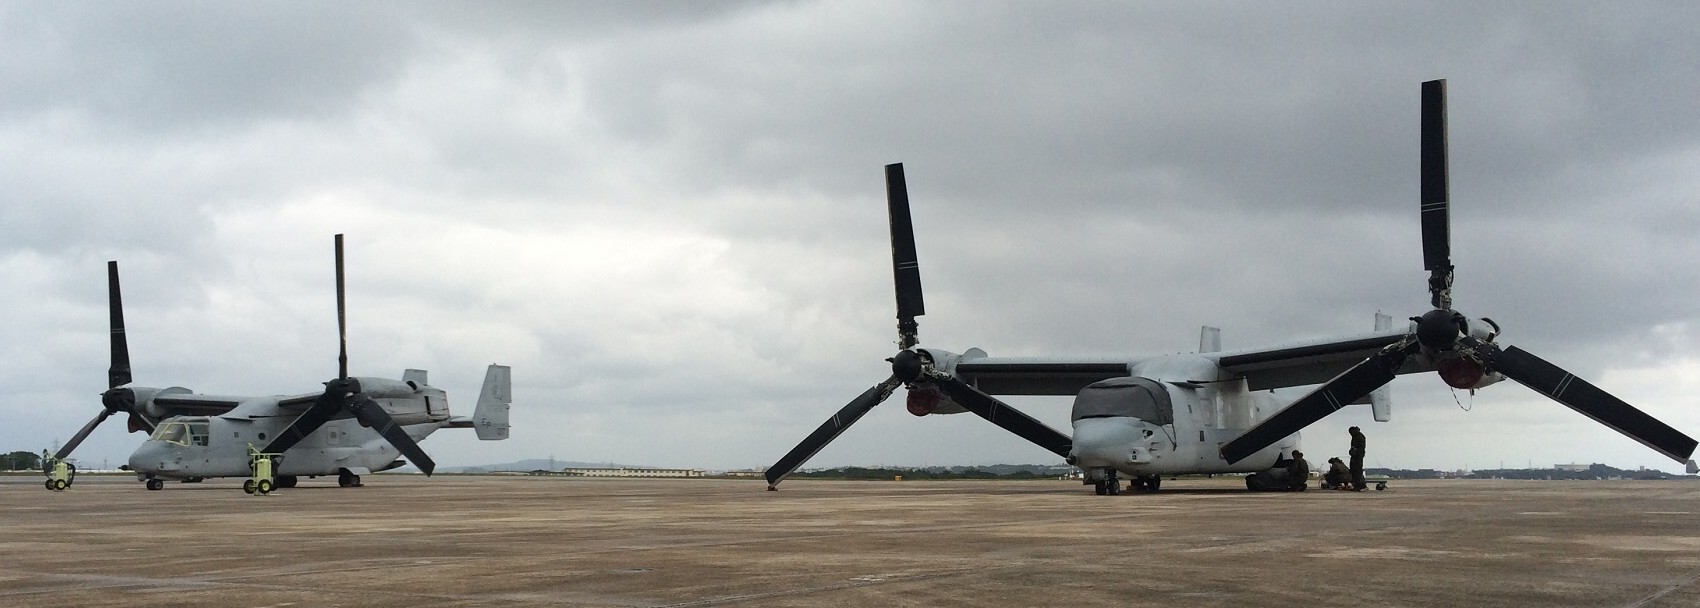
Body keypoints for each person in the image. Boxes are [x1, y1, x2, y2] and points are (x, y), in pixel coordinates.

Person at [1348, 426, 1367, 491]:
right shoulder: (1355, 436)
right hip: (1355, 455)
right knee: (1353, 470)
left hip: (1358, 456)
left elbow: (1361, 448)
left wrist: (1355, 451)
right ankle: (1357, 485)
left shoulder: (1360, 436)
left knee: (1357, 470)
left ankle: (1360, 485)